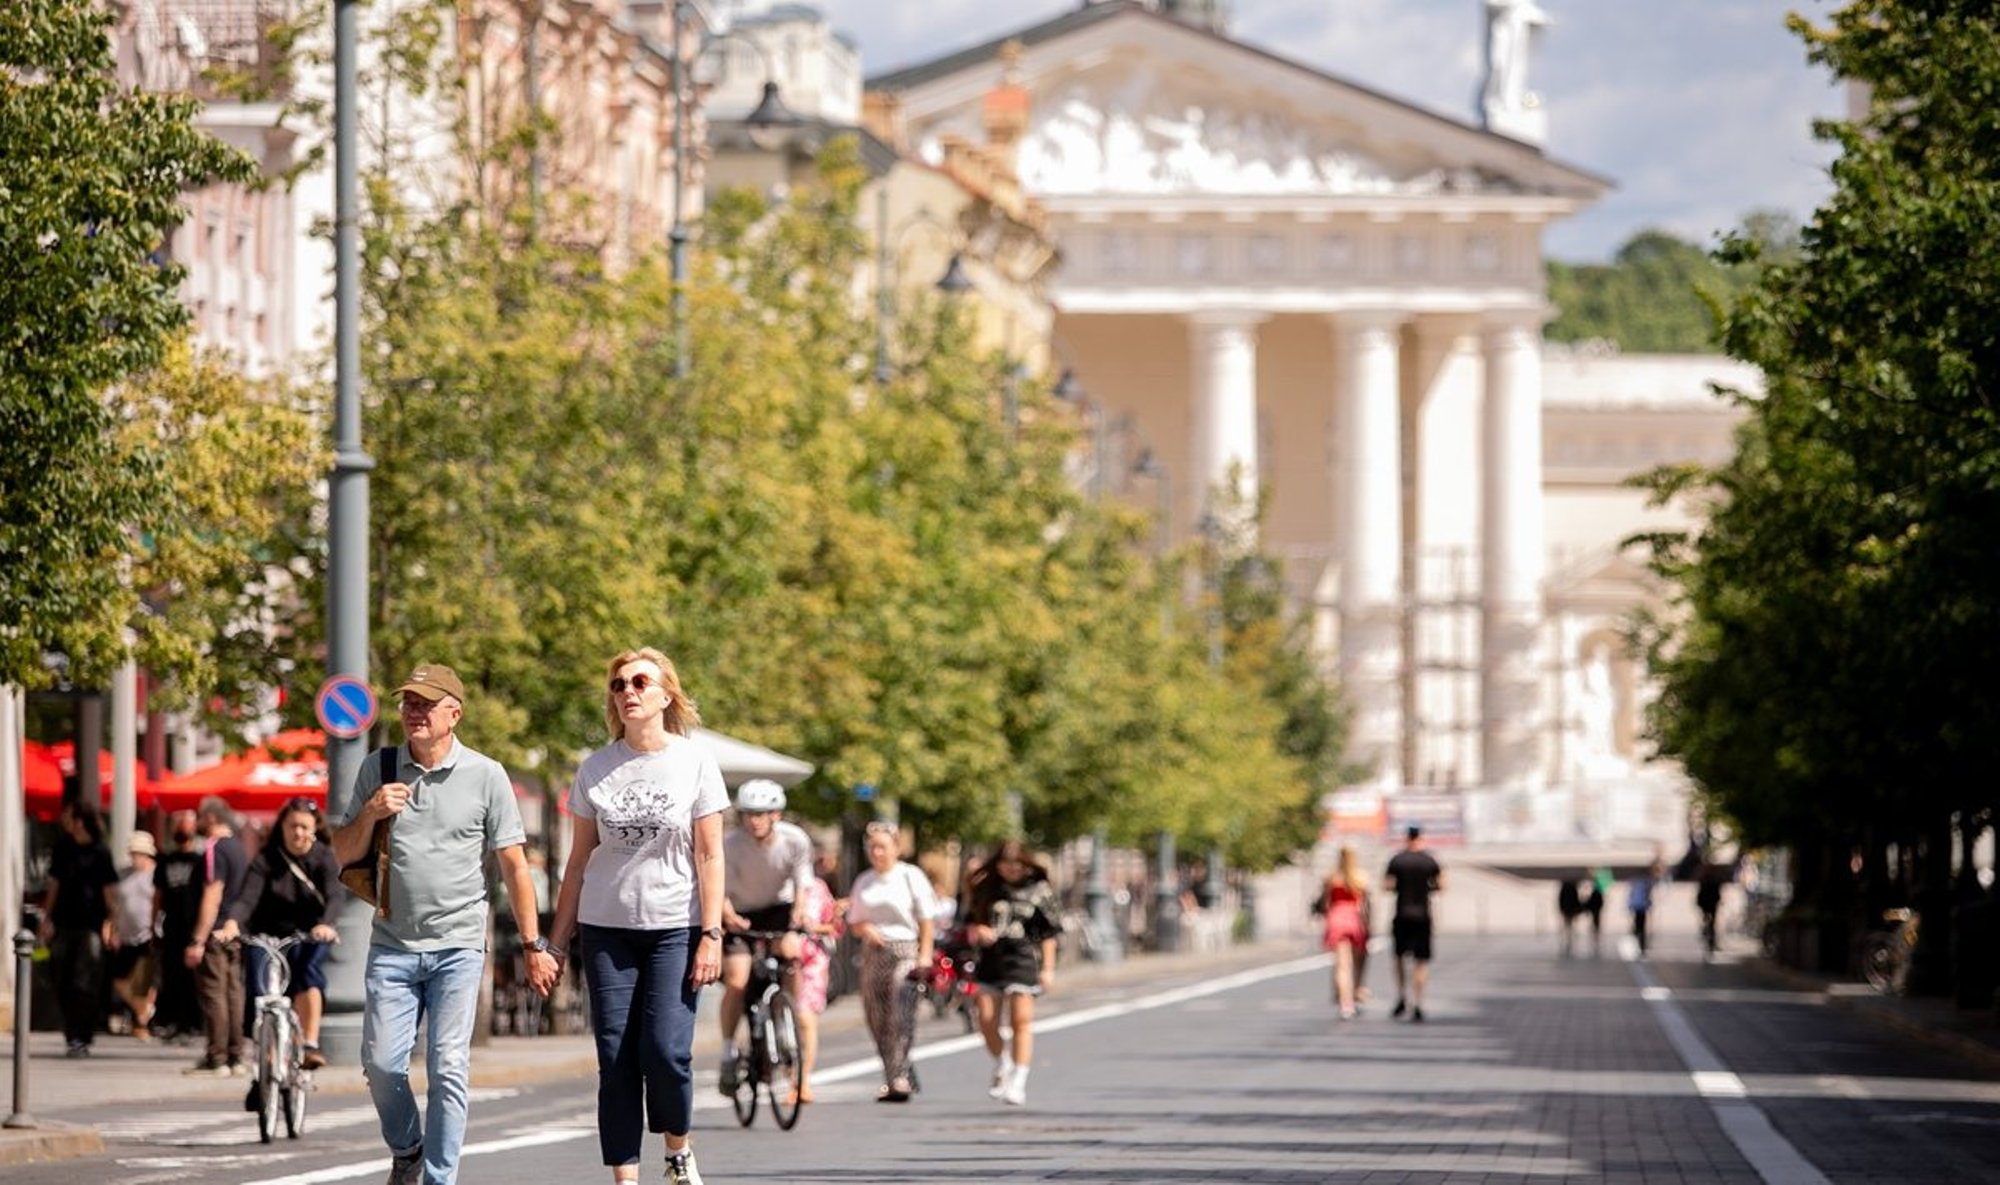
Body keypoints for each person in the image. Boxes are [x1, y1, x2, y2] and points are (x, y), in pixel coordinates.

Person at [331, 663, 555, 1185]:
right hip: (392, 945)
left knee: (448, 1067)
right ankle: (407, 1149)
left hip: (458, 946)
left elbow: (515, 865)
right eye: (408, 702)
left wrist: (532, 943)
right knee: (383, 1065)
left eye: (425, 703)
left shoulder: (487, 774)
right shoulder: (379, 768)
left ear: (454, 714)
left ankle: (438, 1179)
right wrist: (370, 813)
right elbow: (343, 853)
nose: (413, 711)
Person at [545, 648, 727, 1185]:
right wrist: (556, 944)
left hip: (675, 926)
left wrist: (711, 933)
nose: (627, 691)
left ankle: (677, 1150)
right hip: (606, 931)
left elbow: (710, 854)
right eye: (618, 684)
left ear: (665, 695)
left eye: (639, 682)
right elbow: (577, 862)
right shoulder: (596, 768)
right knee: (615, 1057)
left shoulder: (694, 762)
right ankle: (626, 1178)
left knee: (666, 1051)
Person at [213, 797, 341, 1069]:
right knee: (260, 991)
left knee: (308, 973)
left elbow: (334, 896)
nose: (298, 833)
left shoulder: (323, 857)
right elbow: (247, 898)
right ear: (281, 827)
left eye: (304, 827)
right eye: (292, 826)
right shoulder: (266, 858)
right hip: (268, 933)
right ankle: (266, 1065)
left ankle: (310, 1044)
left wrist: (326, 925)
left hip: (310, 933)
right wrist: (233, 923)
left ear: (315, 829)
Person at [716, 777, 812, 1092]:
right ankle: (729, 1051)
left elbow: (802, 884)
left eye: (762, 813)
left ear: (776, 815)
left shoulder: (795, 840)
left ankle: (787, 1020)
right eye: (749, 813)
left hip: (778, 907)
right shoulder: (730, 845)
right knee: (738, 981)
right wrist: (728, 915)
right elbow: (720, 888)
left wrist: (797, 918)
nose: (755, 820)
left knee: (792, 954)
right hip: (741, 911)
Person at [846, 821, 937, 1103]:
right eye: (872, 847)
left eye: (882, 847)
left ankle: (899, 1075)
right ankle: (894, 1073)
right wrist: (866, 929)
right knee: (877, 1017)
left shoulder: (910, 876)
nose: (877, 853)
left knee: (901, 1012)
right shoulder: (864, 881)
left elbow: (926, 919)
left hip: (905, 950)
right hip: (874, 952)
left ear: (896, 848)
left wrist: (925, 954)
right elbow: (855, 921)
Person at [965, 839, 1059, 1107]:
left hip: (1023, 958)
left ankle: (1019, 1080)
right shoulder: (986, 887)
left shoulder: (1038, 890)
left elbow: (1049, 933)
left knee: (1021, 1021)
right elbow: (970, 921)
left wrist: (1049, 969)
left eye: (1018, 863)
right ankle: (1002, 1063)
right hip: (991, 959)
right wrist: (978, 931)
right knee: (985, 1019)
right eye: (1007, 863)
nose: (1012, 869)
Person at [39, 800, 119, 1057]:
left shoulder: (100, 851)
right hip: (64, 923)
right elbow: (55, 885)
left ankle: (81, 1035)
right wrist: (46, 918)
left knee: (86, 981)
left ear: (79, 821)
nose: (64, 821)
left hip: (91, 926)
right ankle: (71, 1033)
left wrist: (111, 923)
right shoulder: (63, 848)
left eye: (68, 816)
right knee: (61, 977)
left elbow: (109, 892)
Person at [184, 795, 249, 1075]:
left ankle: (217, 1055)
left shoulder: (215, 848)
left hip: (215, 930)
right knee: (234, 992)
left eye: (199, 816)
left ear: (211, 818)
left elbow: (213, 892)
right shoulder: (239, 848)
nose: (197, 822)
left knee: (214, 993)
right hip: (234, 930)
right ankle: (236, 1055)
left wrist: (198, 938)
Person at [792, 846, 842, 1105]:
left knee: (805, 1019)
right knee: (785, 1019)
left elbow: (835, 927)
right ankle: (789, 1074)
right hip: (784, 958)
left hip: (812, 960)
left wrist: (814, 927)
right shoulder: (779, 885)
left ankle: (803, 1081)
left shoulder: (818, 888)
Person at [1383, 824, 1444, 1022]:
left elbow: (1387, 885)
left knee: (1399, 957)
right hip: (1422, 915)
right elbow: (1442, 884)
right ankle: (1418, 1001)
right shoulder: (1429, 860)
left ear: (1406, 838)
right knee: (1421, 961)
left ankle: (1402, 996)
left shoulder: (1397, 860)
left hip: (1402, 914)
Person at [152, 811, 205, 1040]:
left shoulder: (201, 860)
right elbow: (157, 895)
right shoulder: (165, 861)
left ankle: (192, 1022)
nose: (182, 831)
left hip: (192, 926)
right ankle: (172, 1021)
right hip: (172, 926)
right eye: (178, 826)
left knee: (193, 979)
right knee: (171, 976)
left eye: (186, 826)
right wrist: (153, 922)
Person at [109, 830, 161, 1041]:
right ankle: (143, 1012)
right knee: (119, 981)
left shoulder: (155, 874)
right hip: (125, 934)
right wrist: (111, 926)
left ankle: (141, 1022)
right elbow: (115, 904)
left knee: (144, 982)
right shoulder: (123, 874)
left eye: (139, 853)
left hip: (148, 934)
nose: (135, 857)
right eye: (133, 853)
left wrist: (156, 929)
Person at [1319, 845, 1370, 1019]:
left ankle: (1345, 1003)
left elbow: (1326, 904)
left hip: (1336, 919)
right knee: (1357, 961)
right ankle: (1354, 994)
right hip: (1354, 920)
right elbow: (1364, 906)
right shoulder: (1360, 878)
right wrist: (1368, 925)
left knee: (1342, 965)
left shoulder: (1332, 878)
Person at [1628, 858, 1664, 957]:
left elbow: (1633, 895)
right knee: (1640, 926)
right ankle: (1641, 944)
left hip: (1640, 906)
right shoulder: (1644, 881)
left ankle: (1641, 944)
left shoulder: (1639, 882)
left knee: (1640, 925)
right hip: (1641, 906)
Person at [1696, 863, 1727, 958]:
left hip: (1708, 903)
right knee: (1712, 923)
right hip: (1710, 903)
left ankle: (1709, 938)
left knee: (1710, 921)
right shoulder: (1713, 879)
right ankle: (1710, 939)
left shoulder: (1704, 878)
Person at [1556, 875, 1585, 958]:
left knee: (1568, 925)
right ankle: (1568, 939)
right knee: (1568, 925)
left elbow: (1563, 900)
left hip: (1567, 910)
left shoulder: (1567, 889)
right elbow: (1574, 900)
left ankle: (1568, 939)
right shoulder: (1571, 889)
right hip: (1569, 910)